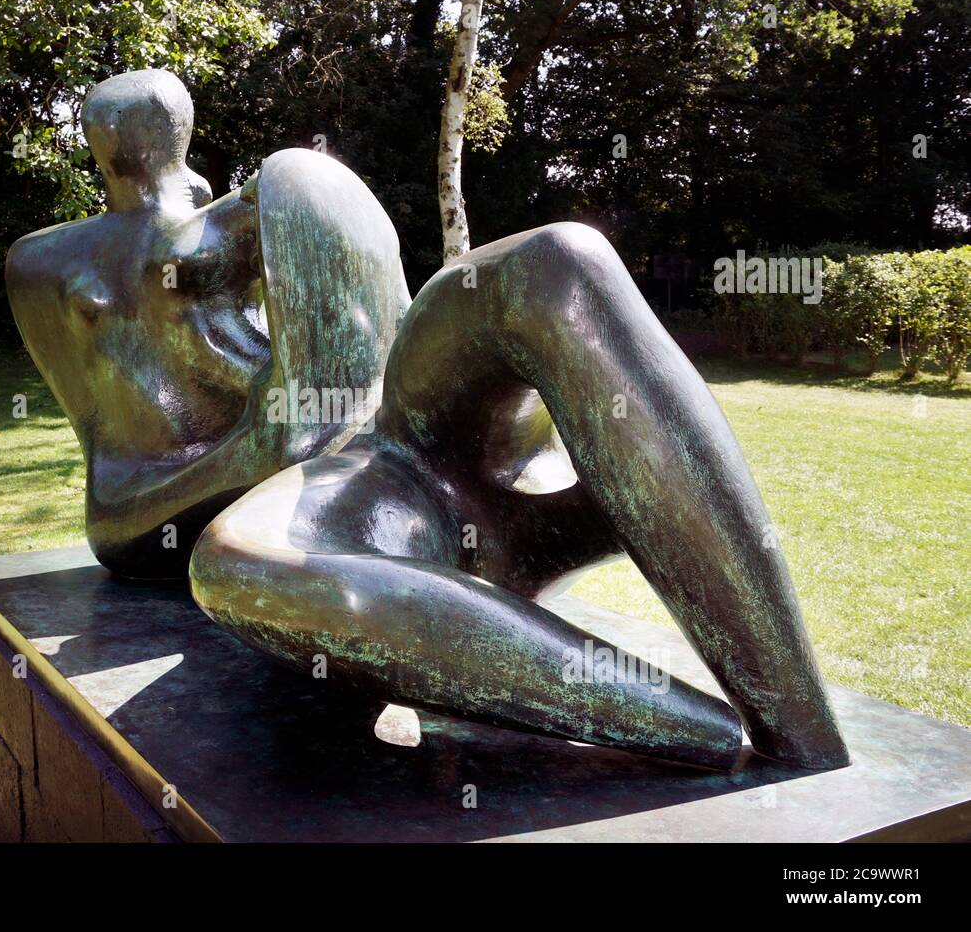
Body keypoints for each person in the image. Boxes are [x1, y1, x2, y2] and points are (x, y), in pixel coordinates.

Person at [191, 222, 850, 771]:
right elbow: (236, 564)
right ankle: (782, 733)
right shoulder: (333, 494)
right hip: (412, 494)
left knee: (557, 266)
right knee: (241, 568)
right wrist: (696, 730)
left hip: (441, 445)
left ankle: (796, 725)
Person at [6, 69, 407, 577]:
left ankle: (270, 452)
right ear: (180, 136)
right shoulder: (243, 217)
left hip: (121, 521)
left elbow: (93, 420)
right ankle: (270, 453)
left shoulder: (36, 261)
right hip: (243, 492)